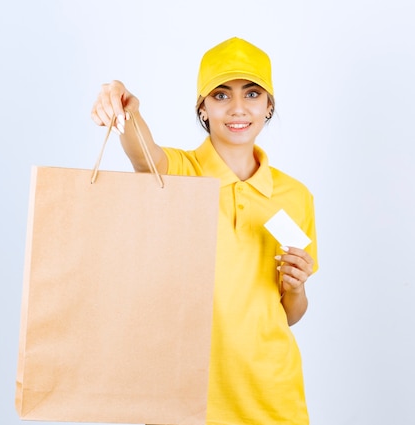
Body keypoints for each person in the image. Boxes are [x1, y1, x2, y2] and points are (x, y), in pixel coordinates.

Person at [91, 37, 318, 425]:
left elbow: (290, 313)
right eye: (220, 95)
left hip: (271, 394)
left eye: (252, 93)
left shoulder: (295, 196)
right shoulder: (181, 173)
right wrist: (126, 108)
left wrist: (295, 288)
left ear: (268, 106)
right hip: (186, 396)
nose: (238, 108)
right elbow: (145, 157)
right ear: (203, 108)